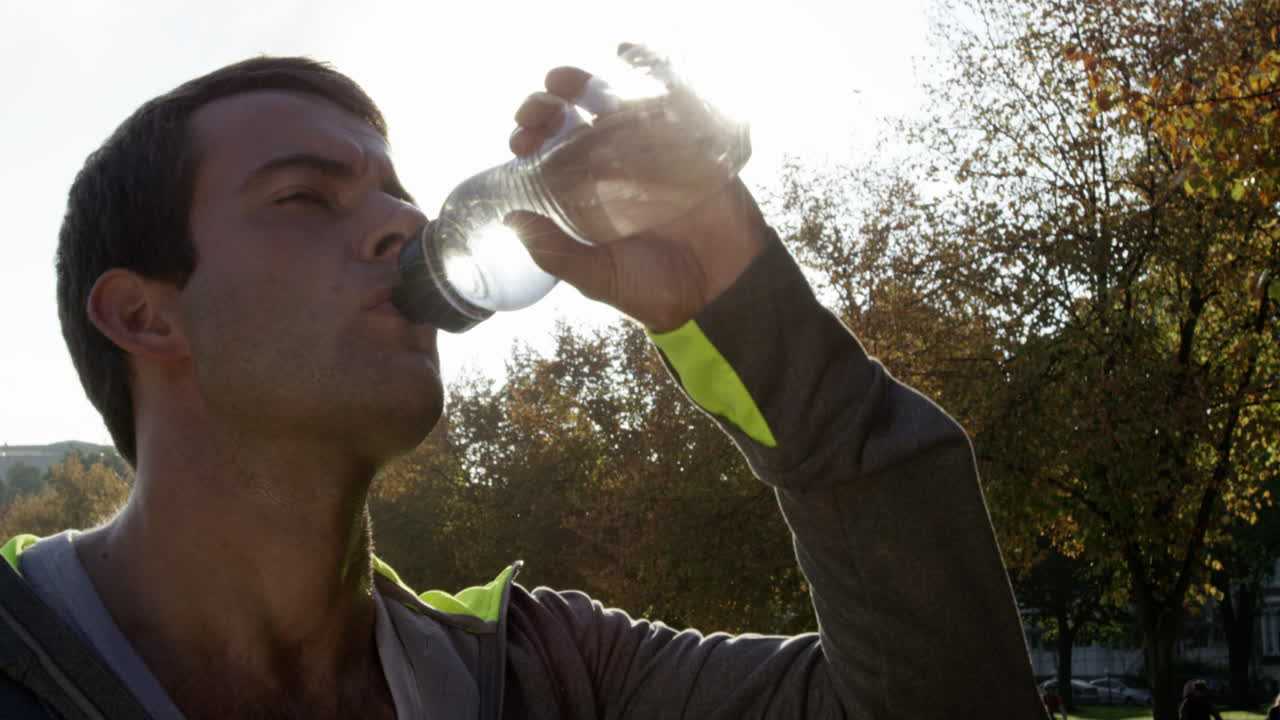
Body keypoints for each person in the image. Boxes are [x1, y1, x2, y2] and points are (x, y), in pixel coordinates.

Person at [0, 53, 1050, 718]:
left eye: (397, 194)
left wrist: (743, 305)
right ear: (144, 314)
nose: (403, 225)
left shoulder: (547, 676)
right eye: (304, 196)